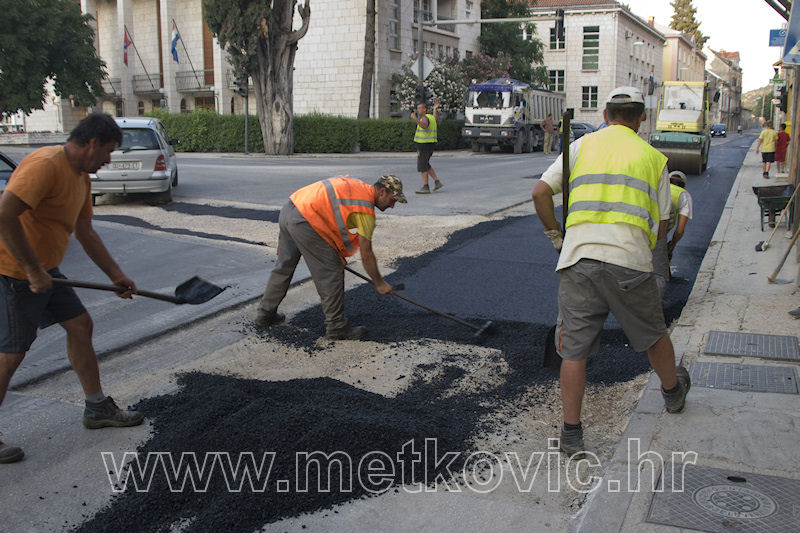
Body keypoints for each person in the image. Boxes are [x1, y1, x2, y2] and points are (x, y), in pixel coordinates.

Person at [532, 86, 690, 456]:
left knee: (574, 351)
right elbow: (662, 225)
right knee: (654, 334)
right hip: (629, 262)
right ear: (642, 118)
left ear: (605, 115)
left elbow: (540, 193)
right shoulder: (654, 158)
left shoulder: (579, 147)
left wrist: (557, 237)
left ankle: (572, 434)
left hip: (578, 260)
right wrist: (647, 250)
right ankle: (673, 394)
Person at [0, 113, 144, 464]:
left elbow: (85, 232)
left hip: (46, 270)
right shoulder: (45, 164)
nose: (108, 160)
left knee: (80, 326)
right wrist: (32, 269)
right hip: (14, 271)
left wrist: (116, 275)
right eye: (108, 151)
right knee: (11, 353)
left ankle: (96, 408)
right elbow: (4, 215)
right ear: (92, 143)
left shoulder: (81, 178)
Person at [255, 175, 406, 340]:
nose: (392, 206)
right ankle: (337, 327)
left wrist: (335, 252)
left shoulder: (357, 187)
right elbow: (367, 254)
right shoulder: (365, 210)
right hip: (306, 219)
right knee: (332, 273)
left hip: (290, 209)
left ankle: (265, 314)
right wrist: (379, 283)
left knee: (284, 266)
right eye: (392, 200)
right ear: (382, 192)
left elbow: (331, 218)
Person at [652, 171, 693, 295]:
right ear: (684, 186)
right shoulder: (684, 195)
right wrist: (672, 244)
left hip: (643, 227)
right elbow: (680, 230)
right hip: (659, 233)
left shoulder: (658, 187)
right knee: (658, 270)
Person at [411, 101, 442, 194]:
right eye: (418, 108)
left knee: (422, 166)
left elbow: (424, 126)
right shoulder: (431, 117)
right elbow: (435, 120)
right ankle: (437, 182)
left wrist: (415, 119)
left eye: (420, 108)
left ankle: (426, 186)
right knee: (426, 164)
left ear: (425, 109)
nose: (418, 110)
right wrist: (435, 109)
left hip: (424, 144)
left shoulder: (424, 118)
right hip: (430, 144)